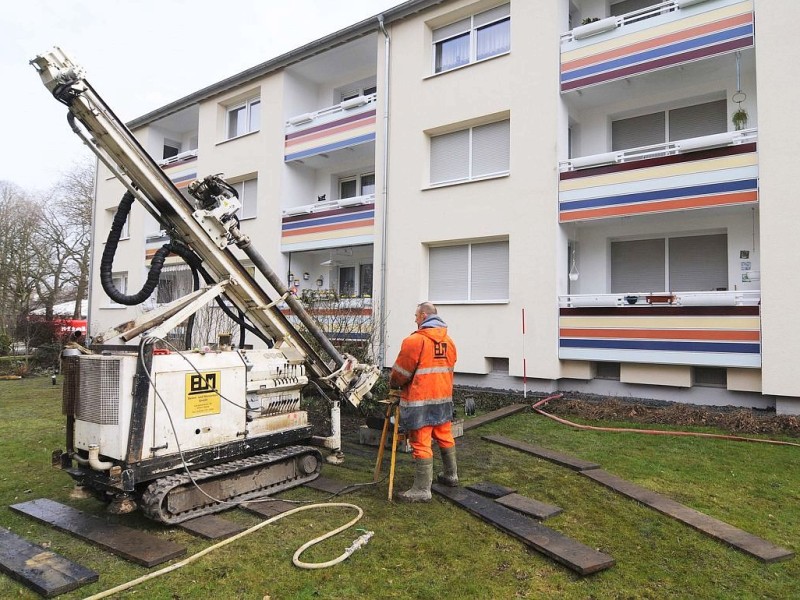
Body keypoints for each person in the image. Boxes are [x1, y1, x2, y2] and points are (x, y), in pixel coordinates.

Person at [390, 302, 458, 502]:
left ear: (424, 316)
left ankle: (422, 489)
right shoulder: (449, 342)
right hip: (443, 399)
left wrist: (393, 384)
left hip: (420, 402)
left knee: (421, 442)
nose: (414, 319)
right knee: (444, 435)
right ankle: (451, 475)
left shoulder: (415, 341)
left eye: (416, 315)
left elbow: (400, 374)